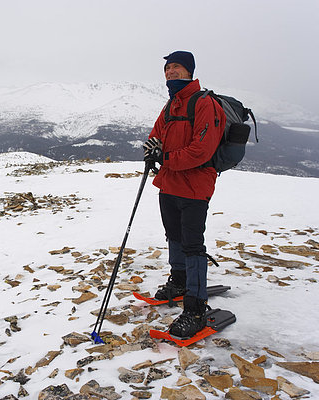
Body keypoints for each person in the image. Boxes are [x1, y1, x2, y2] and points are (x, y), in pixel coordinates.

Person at [142, 50, 226, 338]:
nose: (170, 72)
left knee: (192, 244)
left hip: (194, 186)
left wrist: (164, 157)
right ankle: (178, 281)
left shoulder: (205, 104)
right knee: (174, 236)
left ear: (189, 70)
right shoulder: (170, 106)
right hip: (169, 184)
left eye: (176, 67)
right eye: (167, 68)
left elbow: (202, 150)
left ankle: (195, 307)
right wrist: (151, 150)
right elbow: (156, 136)